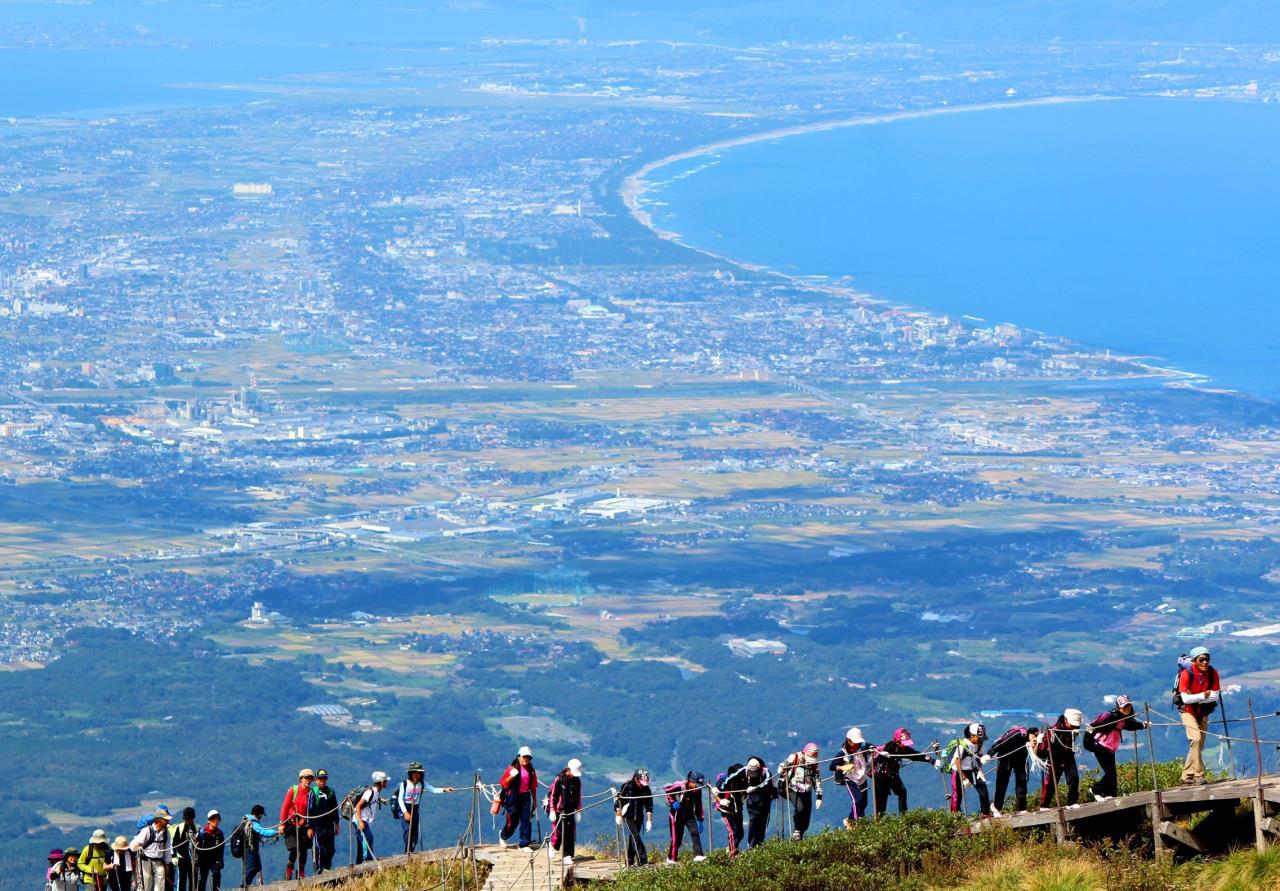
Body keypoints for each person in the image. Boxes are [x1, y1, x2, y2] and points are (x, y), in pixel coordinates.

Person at [1086, 696, 1149, 800]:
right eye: (1124, 706)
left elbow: (1130, 725)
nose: (1127, 708)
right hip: (1100, 746)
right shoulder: (1113, 717)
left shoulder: (1123, 718)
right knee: (1110, 773)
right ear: (1119, 708)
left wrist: (1143, 725)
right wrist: (1089, 744)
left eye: (1128, 705)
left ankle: (1110, 795)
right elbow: (1095, 728)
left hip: (1110, 748)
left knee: (1112, 774)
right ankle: (1095, 790)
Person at [1177, 646, 1221, 786]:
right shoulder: (1187, 674)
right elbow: (1185, 699)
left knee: (1198, 744)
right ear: (1195, 660)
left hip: (1203, 711)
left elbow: (1215, 696)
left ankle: (1186, 776)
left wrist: (1196, 697)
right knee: (1195, 739)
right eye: (1201, 659)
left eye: (1207, 659)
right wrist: (1203, 695)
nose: (1205, 662)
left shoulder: (1213, 673)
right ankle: (1198, 775)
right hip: (1187, 711)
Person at [394, 761, 455, 854]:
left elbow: (433, 790)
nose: (416, 775)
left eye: (418, 773)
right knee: (407, 830)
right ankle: (407, 852)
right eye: (414, 773)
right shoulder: (405, 784)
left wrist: (445, 789)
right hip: (405, 808)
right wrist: (405, 812)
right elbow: (400, 799)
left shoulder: (422, 783)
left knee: (414, 833)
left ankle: (411, 850)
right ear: (410, 773)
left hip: (415, 809)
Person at [872, 728, 935, 816]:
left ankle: (904, 816)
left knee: (902, 792)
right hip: (881, 777)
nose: (905, 745)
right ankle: (879, 821)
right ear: (897, 741)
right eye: (903, 743)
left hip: (892, 775)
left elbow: (915, 755)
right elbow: (877, 760)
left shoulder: (904, 749)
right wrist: (882, 754)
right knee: (882, 801)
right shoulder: (889, 747)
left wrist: (932, 760)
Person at [989, 725, 1041, 816]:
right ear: (1030, 734)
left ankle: (1021, 808)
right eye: (1034, 737)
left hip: (1019, 760)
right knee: (1002, 784)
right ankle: (996, 807)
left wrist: (1035, 745)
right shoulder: (1017, 734)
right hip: (1006, 759)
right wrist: (989, 754)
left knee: (1022, 782)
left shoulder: (1029, 742)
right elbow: (1000, 743)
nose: (1035, 739)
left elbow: (1038, 754)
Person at [1040, 709, 1084, 808]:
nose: (1074, 727)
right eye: (1072, 725)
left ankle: (1072, 802)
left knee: (1074, 778)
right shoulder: (1054, 730)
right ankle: (1044, 806)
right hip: (1055, 758)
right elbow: (1045, 747)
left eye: (1076, 725)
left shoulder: (1074, 730)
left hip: (1068, 756)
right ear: (1065, 720)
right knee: (1051, 782)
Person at [777, 743, 823, 840]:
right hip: (791, 788)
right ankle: (796, 831)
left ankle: (800, 834)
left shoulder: (815, 764)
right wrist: (781, 770)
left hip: (807, 790)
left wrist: (819, 796)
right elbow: (782, 765)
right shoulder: (795, 757)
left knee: (806, 815)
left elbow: (817, 779)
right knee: (800, 808)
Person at [946, 723, 992, 816]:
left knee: (982, 787)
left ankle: (985, 812)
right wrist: (963, 778)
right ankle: (955, 816)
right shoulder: (963, 745)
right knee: (957, 794)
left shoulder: (979, 744)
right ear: (972, 736)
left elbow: (979, 757)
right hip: (958, 771)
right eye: (980, 738)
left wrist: (980, 770)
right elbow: (957, 762)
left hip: (972, 769)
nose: (982, 740)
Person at [497, 747, 537, 851]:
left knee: (526, 821)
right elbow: (503, 783)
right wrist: (511, 776)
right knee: (512, 822)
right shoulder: (511, 768)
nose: (526, 759)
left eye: (528, 758)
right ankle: (504, 835)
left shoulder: (531, 770)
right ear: (519, 757)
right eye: (524, 757)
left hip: (525, 797)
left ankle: (524, 844)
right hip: (513, 797)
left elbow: (533, 786)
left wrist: (534, 801)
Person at [280, 768, 316, 879]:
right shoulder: (293, 790)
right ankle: (289, 870)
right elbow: (285, 807)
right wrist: (282, 824)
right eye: (306, 778)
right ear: (301, 779)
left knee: (304, 850)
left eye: (310, 778)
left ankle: (301, 873)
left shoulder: (311, 793)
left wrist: (311, 827)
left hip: (304, 825)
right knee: (295, 849)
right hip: (291, 824)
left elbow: (312, 810)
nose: (308, 781)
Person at [547, 759, 583, 867]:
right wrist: (552, 810)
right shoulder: (560, 779)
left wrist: (578, 810)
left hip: (571, 811)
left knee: (570, 833)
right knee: (559, 832)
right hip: (559, 810)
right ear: (568, 769)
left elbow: (578, 796)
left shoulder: (577, 781)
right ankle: (553, 845)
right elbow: (553, 796)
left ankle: (567, 855)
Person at [663, 771, 705, 864]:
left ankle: (698, 855)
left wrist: (700, 818)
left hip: (689, 814)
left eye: (699, 785)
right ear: (690, 781)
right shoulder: (680, 786)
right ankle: (671, 859)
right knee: (677, 838)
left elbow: (699, 804)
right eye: (696, 784)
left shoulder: (698, 791)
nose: (697, 787)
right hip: (676, 814)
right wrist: (673, 802)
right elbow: (667, 790)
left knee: (695, 832)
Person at [831, 729, 870, 827]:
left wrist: (872, 748)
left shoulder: (863, 747)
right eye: (855, 742)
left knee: (864, 802)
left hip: (862, 777)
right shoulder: (842, 753)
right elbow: (832, 766)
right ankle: (854, 824)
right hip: (850, 778)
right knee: (858, 800)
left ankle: (852, 820)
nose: (857, 744)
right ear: (849, 741)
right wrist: (843, 767)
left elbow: (869, 745)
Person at [615, 768, 653, 868]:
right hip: (628, 815)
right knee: (636, 836)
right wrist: (618, 815)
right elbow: (619, 800)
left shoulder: (646, 788)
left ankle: (629, 861)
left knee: (633, 838)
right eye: (641, 782)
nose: (642, 785)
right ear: (636, 779)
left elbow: (649, 805)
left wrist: (649, 820)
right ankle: (643, 861)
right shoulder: (627, 786)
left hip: (639, 816)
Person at [130, 809, 172, 891]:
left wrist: (167, 864)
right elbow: (132, 845)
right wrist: (137, 847)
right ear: (159, 820)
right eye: (165, 820)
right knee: (146, 886)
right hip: (146, 861)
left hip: (159, 862)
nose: (168, 821)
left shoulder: (166, 833)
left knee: (160, 887)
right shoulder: (147, 831)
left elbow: (167, 849)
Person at [354, 771, 389, 865]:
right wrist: (360, 821)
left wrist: (381, 800)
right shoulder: (370, 792)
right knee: (368, 838)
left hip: (364, 819)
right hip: (360, 818)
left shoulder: (376, 791)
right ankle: (368, 861)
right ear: (381, 782)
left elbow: (374, 798)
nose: (386, 782)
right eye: (385, 781)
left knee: (362, 841)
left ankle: (359, 862)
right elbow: (358, 806)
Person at [236, 805, 276, 888]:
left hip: (246, 848)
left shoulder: (246, 821)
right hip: (250, 848)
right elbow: (263, 832)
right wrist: (276, 832)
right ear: (260, 814)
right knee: (252, 867)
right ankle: (244, 885)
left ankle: (246, 883)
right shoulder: (253, 823)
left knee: (255, 867)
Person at [742, 757, 776, 849]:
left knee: (762, 823)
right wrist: (718, 788)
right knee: (753, 821)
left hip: (764, 801)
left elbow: (767, 784)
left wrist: (755, 788)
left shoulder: (766, 772)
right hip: (752, 802)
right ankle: (752, 845)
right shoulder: (744, 771)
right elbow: (732, 778)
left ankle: (759, 845)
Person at [713, 764, 747, 856]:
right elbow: (716, 791)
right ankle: (732, 855)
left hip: (737, 809)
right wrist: (720, 800)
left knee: (740, 833)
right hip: (726, 811)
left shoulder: (743, 782)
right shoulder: (726, 782)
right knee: (733, 832)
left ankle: (732, 848)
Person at [311, 770, 339, 874]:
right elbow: (310, 810)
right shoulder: (313, 792)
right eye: (320, 779)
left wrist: (337, 824)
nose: (323, 781)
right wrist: (310, 827)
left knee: (331, 849)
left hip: (329, 825)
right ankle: (319, 870)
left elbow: (335, 808)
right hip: (318, 826)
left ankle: (327, 868)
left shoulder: (331, 791)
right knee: (320, 848)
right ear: (316, 780)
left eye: (324, 779)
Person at [171, 808, 200, 891]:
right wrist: (174, 856)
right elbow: (175, 843)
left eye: (189, 819)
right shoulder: (179, 828)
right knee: (182, 880)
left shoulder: (197, 828)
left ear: (193, 818)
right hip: (182, 858)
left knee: (193, 880)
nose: (188, 821)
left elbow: (200, 844)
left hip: (194, 859)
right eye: (187, 819)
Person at [196, 811, 224, 891]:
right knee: (203, 878)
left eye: (217, 819)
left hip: (214, 859)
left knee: (216, 874)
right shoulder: (202, 832)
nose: (215, 821)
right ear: (208, 820)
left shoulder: (220, 833)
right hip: (203, 859)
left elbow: (221, 848)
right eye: (213, 819)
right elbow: (196, 846)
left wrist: (221, 860)